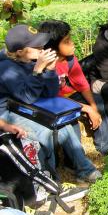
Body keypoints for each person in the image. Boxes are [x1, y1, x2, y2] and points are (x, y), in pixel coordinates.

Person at [0, 25, 101, 182]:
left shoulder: (29, 61)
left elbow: (50, 93)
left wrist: (50, 71)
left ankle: (84, 170)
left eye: (42, 45)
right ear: (20, 52)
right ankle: (48, 178)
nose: (42, 49)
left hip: (26, 107)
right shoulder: (7, 69)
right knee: (44, 132)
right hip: (7, 113)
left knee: (66, 126)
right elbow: (27, 97)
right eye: (36, 46)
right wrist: (38, 70)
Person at [38, 20, 108, 155]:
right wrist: (87, 109)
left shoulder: (69, 59)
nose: (72, 43)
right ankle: (75, 159)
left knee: (97, 100)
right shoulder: (45, 66)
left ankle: (106, 146)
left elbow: (81, 83)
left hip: (68, 96)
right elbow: (54, 99)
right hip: (54, 102)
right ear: (53, 47)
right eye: (67, 41)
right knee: (70, 120)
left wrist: (94, 107)